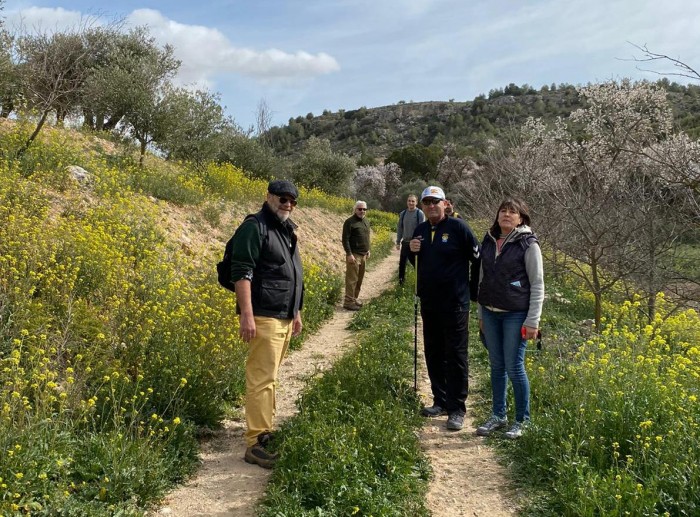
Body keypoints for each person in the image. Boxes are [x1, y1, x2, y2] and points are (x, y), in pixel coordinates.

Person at [228, 179, 304, 468]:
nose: (287, 204)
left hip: (283, 314)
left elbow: (291, 274)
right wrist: (246, 314)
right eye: (282, 198)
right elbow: (242, 271)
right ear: (269, 197)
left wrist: (296, 311)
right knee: (261, 379)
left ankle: (265, 431)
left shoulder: (285, 231)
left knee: (270, 377)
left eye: (292, 201)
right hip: (264, 315)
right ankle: (255, 442)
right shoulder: (255, 226)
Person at [409, 186, 481, 431]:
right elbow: (416, 262)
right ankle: (439, 401)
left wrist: (472, 290)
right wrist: (411, 251)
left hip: (455, 304)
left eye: (435, 201)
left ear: (445, 204)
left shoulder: (459, 228)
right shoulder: (419, 230)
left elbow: (477, 257)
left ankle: (457, 407)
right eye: (426, 202)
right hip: (430, 303)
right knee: (434, 352)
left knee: (456, 355)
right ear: (422, 206)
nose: (431, 205)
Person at [475, 197, 544, 440]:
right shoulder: (489, 239)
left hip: (516, 314)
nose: (506, 214)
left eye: (512, 212)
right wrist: (481, 314)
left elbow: (537, 284)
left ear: (521, 218)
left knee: (514, 367)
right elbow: (482, 279)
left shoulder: (528, 244)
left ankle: (522, 420)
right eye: (502, 210)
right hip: (491, 313)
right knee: (497, 366)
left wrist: (532, 321)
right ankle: (498, 415)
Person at [342, 201, 371, 310]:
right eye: (360, 209)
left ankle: (354, 299)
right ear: (355, 209)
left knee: (359, 279)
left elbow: (367, 237)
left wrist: (368, 250)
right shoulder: (349, 222)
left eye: (364, 209)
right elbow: (345, 239)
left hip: (364, 255)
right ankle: (348, 302)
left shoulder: (366, 221)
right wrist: (349, 254)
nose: (362, 211)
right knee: (352, 280)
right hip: (354, 255)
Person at [395, 194, 425, 285]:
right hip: (405, 242)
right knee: (402, 263)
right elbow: (400, 228)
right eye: (409, 201)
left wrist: (421, 242)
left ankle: (420, 283)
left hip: (415, 243)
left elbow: (422, 228)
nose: (411, 203)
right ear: (407, 202)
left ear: (416, 202)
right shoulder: (403, 213)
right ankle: (401, 282)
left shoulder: (419, 213)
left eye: (413, 201)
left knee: (416, 264)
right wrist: (398, 241)